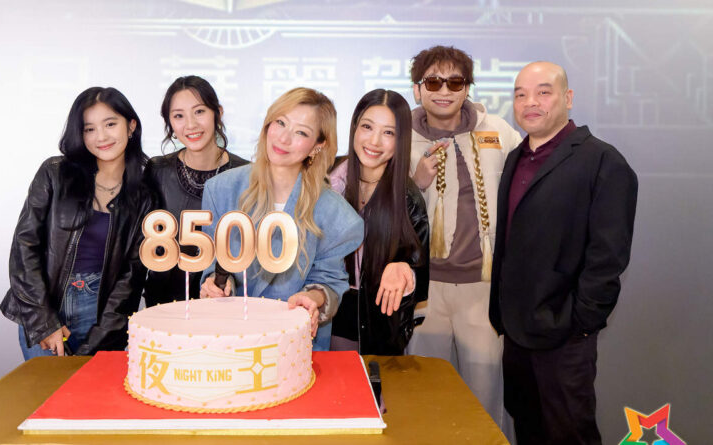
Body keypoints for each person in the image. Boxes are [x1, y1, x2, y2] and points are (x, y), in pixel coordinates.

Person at [490, 61, 638, 444]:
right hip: (516, 333)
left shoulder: (602, 161)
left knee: (570, 434)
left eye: (543, 92)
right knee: (528, 429)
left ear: (568, 98)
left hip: (565, 336)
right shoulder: (515, 157)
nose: (530, 102)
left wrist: (580, 322)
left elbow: (608, 257)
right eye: (520, 94)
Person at [405, 45, 521, 434]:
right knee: (422, 394)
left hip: (483, 287)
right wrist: (416, 182)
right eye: (433, 82)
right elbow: (382, 209)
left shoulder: (498, 131)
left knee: (485, 397)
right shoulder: (399, 137)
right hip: (424, 288)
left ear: (467, 87)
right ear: (417, 87)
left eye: (455, 82)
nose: (444, 90)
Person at [198, 87, 363, 351]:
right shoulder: (221, 190)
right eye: (280, 123)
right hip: (229, 341)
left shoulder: (336, 214)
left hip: (294, 346)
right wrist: (215, 284)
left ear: (318, 145)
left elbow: (329, 281)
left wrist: (313, 298)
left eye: (301, 132)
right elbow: (214, 263)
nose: (284, 138)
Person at [0, 87, 153, 359]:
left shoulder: (143, 195)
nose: (101, 137)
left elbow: (131, 278)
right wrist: (44, 322)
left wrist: (97, 344)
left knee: (88, 386)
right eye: (89, 129)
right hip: (44, 305)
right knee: (48, 387)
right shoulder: (55, 173)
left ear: (131, 126)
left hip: (103, 314)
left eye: (110, 124)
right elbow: (24, 248)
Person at [328, 89, 429, 355]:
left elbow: (420, 271)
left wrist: (405, 270)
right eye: (367, 127)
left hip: (377, 322)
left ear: (401, 140)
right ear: (354, 127)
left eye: (388, 133)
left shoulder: (408, 198)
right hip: (325, 311)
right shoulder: (326, 180)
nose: (374, 141)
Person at [143, 75, 249, 307]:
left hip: (223, 304)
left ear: (217, 113)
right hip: (165, 306)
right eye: (178, 116)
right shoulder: (157, 170)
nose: (190, 125)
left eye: (199, 111)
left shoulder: (246, 174)